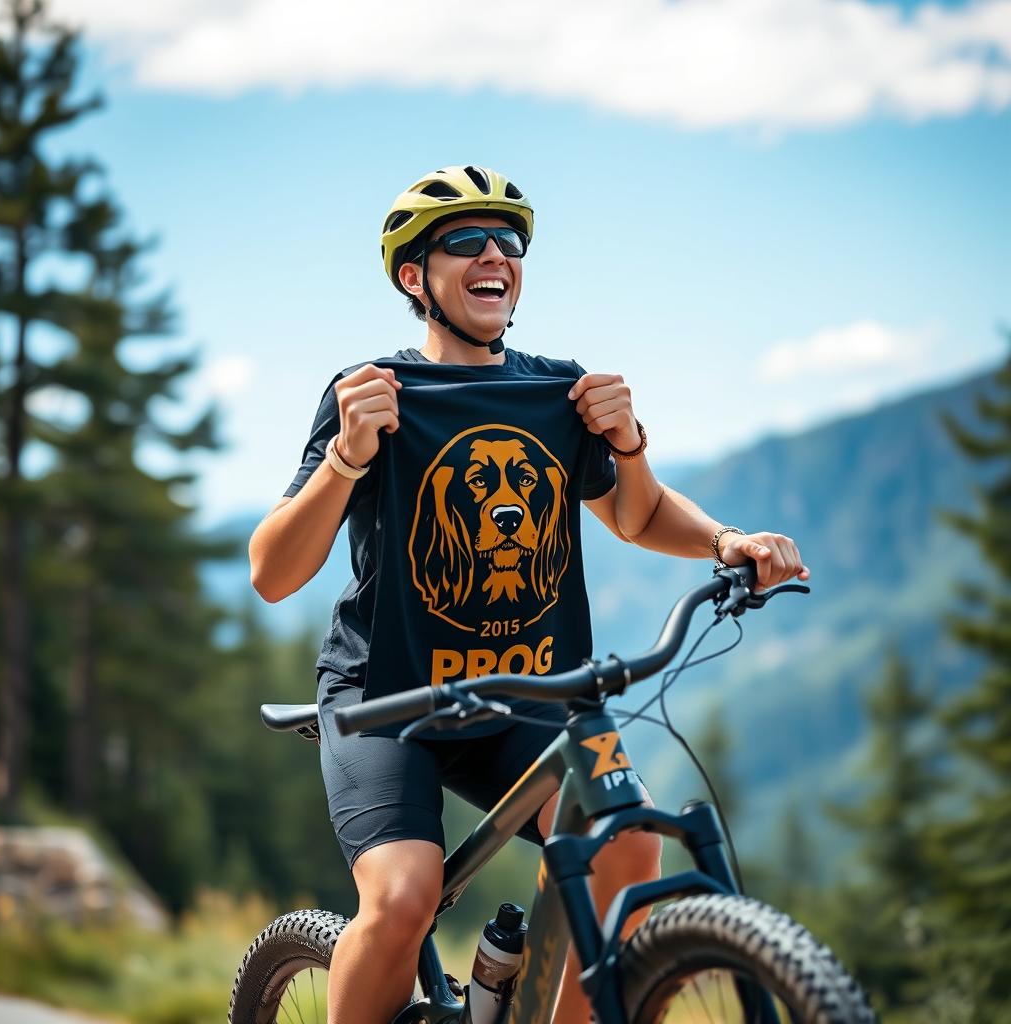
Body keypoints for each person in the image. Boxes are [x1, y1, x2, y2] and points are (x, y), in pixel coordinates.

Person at [249, 165, 810, 1024]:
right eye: (464, 242)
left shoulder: (561, 391)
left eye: (507, 242)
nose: (493, 256)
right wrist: (345, 458)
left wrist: (705, 518)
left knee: (625, 850)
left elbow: (640, 513)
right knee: (404, 899)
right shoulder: (371, 395)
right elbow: (273, 571)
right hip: (388, 699)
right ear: (414, 277)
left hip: (532, 692)